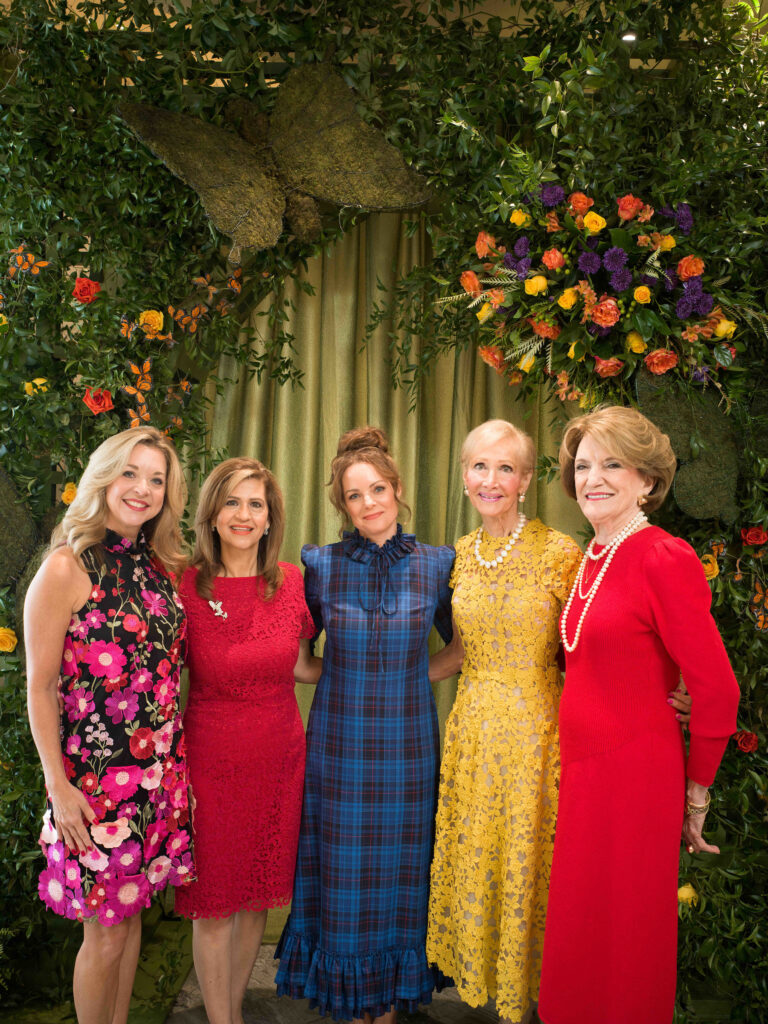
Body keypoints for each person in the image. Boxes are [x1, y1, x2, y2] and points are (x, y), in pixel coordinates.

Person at [538, 405, 740, 1024]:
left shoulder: (661, 556)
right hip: (586, 774)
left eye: (612, 465)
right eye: (582, 466)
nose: (592, 479)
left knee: (627, 937)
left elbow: (718, 688)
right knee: (582, 928)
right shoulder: (594, 556)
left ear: (647, 480)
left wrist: (697, 793)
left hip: (635, 778)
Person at [275, 426, 457, 1024]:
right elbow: (299, 662)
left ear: (397, 489)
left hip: (408, 748)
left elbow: (462, 650)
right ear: (343, 506)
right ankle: (353, 1008)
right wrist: (350, 674)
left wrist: (405, 675)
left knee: (402, 876)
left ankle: (390, 1007)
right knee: (344, 876)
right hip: (340, 747)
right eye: (354, 495)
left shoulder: (438, 565)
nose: (369, 502)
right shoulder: (319, 566)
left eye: (377, 489)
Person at [24, 426, 193, 1024]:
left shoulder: (159, 567)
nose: (142, 488)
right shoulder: (66, 567)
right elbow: (40, 687)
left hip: (156, 779)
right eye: (130, 472)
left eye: (156, 479)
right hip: (94, 787)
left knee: (131, 915)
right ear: (103, 477)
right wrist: (58, 786)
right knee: (105, 935)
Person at [425, 419, 582, 1024]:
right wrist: (381, 681)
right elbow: (459, 652)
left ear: (526, 480)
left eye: (505, 468)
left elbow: (586, 653)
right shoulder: (458, 555)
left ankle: (541, 1001)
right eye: (480, 466)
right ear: (464, 476)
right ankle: (491, 995)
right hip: (473, 733)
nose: (491, 480)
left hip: (538, 738)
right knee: (481, 864)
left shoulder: (560, 554)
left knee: (530, 868)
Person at [174, 457, 321, 1024]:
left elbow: (302, 668)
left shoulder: (290, 582)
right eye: (231, 502)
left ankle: (231, 1012)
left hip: (279, 760)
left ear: (269, 518)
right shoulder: (185, 587)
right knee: (214, 906)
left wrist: (375, 671)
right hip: (210, 762)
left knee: (257, 897)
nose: (243, 514)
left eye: (255, 504)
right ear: (211, 515)